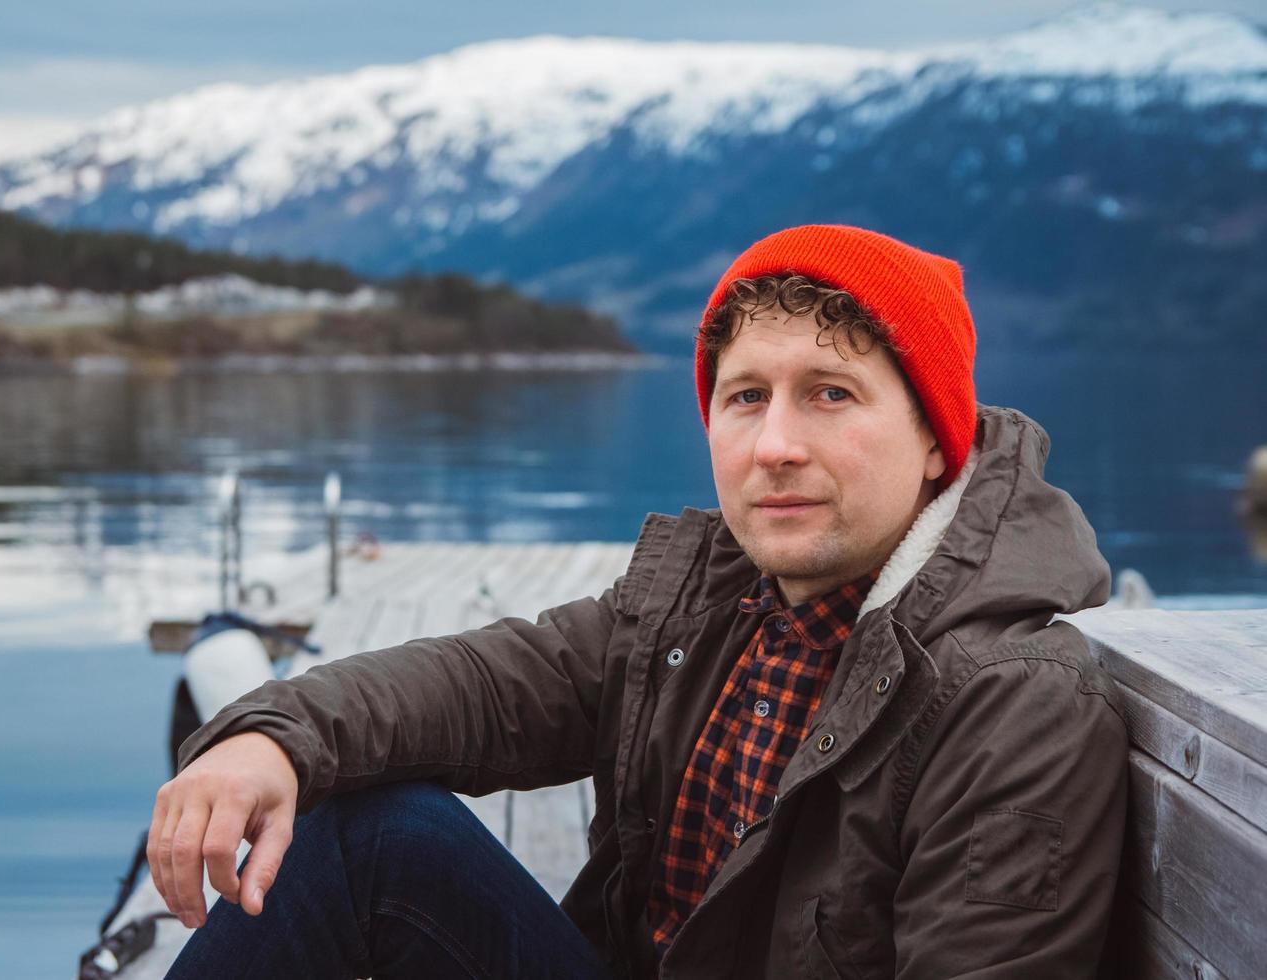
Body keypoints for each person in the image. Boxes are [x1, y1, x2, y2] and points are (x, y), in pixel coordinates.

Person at [149, 224, 1128, 979]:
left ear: (934, 441)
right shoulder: (705, 609)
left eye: (830, 393)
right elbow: (485, 687)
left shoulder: (1011, 702)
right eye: (746, 397)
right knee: (371, 835)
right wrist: (271, 735)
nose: (774, 443)